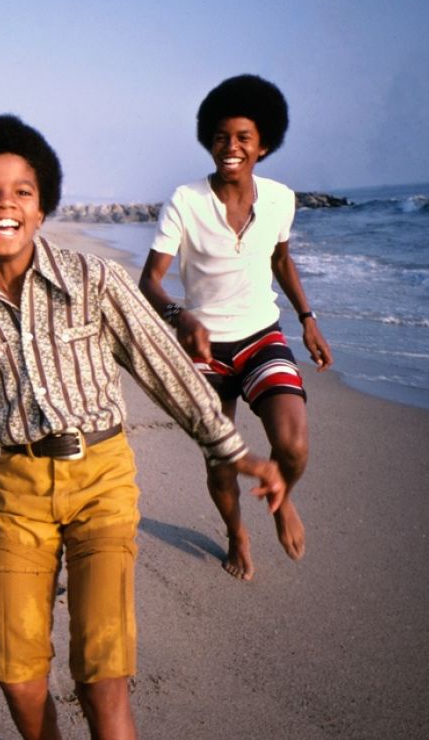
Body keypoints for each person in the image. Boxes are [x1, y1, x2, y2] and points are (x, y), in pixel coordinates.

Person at [0, 115, 286, 739]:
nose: (5, 203)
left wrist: (229, 447)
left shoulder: (94, 280)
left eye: (22, 192)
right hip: (20, 493)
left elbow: (161, 364)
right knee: (16, 674)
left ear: (42, 208)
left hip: (104, 483)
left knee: (101, 674)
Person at [139, 74, 333, 581]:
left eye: (244, 138)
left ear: (263, 145)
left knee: (293, 446)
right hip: (204, 349)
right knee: (219, 460)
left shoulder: (279, 199)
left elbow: (282, 261)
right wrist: (180, 315)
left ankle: (281, 495)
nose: (231, 147)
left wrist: (308, 320)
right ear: (209, 139)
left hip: (261, 336)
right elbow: (149, 281)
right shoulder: (185, 200)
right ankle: (235, 532)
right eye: (222, 136)